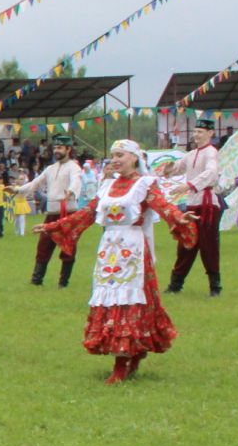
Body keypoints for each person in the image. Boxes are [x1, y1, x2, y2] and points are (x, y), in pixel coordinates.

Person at [36, 139, 198, 383]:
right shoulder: (107, 186)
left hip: (132, 248)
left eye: (120, 155)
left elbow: (163, 206)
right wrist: (54, 226)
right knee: (111, 300)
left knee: (129, 301)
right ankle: (129, 352)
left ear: (134, 157)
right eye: (113, 155)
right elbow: (87, 213)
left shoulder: (145, 184)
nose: (116, 160)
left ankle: (123, 361)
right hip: (109, 249)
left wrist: (179, 217)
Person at [15, 135, 84, 287]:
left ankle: (63, 283)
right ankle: (36, 280)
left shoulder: (74, 167)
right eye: (55, 148)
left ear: (68, 149)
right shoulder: (50, 169)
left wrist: (71, 192)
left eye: (60, 148)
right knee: (44, 245)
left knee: (68, 247)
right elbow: (36, 183)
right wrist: (17, 190)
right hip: (51, 213)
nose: (56, 151)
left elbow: (76, 180)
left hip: (68, 212)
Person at [166, 119, 225, 297]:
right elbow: (178, 168)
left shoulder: (211, 153)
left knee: (208, 245)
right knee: (186, 242)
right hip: (193, 203)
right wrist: (168, 169)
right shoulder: (191, 154)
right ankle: (175, 284)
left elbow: (211, 173)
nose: (197, 135)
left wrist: (189, 185)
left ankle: (215, 286)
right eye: (195, 131)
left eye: (200, 131)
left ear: (210, 133)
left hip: (207, 204)